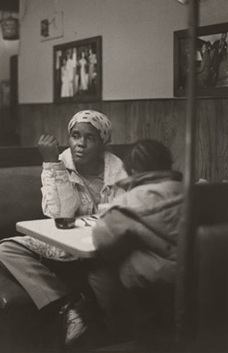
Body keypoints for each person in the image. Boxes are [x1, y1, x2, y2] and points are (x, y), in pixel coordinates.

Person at [0, 110, 127, 348]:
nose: (80, 144)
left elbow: (123, 215)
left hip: (100, 251)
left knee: (110, 303)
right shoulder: (60, 162)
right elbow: (61, 215)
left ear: (103, 142)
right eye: (75, 136)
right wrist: (52, 164)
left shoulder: (118, 170)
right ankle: (68, 305)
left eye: (90, 138)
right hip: (63, 246)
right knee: (5, 249)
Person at [89, 139, 183, 346]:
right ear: (168, 163)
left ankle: (116, 333)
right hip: (202, 279)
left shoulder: (128, 202)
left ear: (132, 169)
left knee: (98, 271)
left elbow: (102, 241)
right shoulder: (192, 191)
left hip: (160, 287)